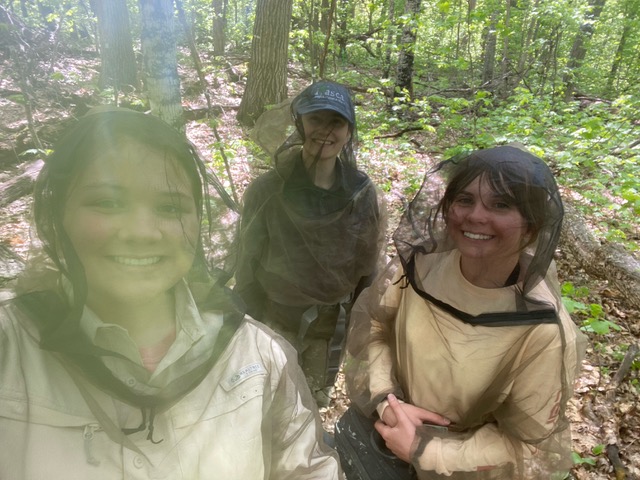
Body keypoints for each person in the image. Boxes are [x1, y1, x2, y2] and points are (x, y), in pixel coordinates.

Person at [0, 108, 341, 479]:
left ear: (197, 224)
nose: (141, 232)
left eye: (169, 207)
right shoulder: (10, 350)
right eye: (108, 202)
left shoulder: (257, 356)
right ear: (58, 215)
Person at [338, 145, 587, 479]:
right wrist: (388, 402)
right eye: (465, 200)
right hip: (378, 434)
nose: (476, 216)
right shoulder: (421, 268)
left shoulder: (544, 331)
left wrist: (425, 450)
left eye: (500, 204)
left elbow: (527, 442)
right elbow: (376, 326)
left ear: (531, 226)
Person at [234, 80, 386, 406]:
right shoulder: (269, 189)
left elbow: (368, 265)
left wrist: (362, 325)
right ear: (300, 122)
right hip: (272, 319)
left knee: (311, 405)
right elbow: (246, 260)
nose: (325, 131)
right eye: (316, 119)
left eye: (337, 122)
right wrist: (246, 320)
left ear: (349, 130)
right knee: (267, 404)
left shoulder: (361, 192)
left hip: (328, 327)